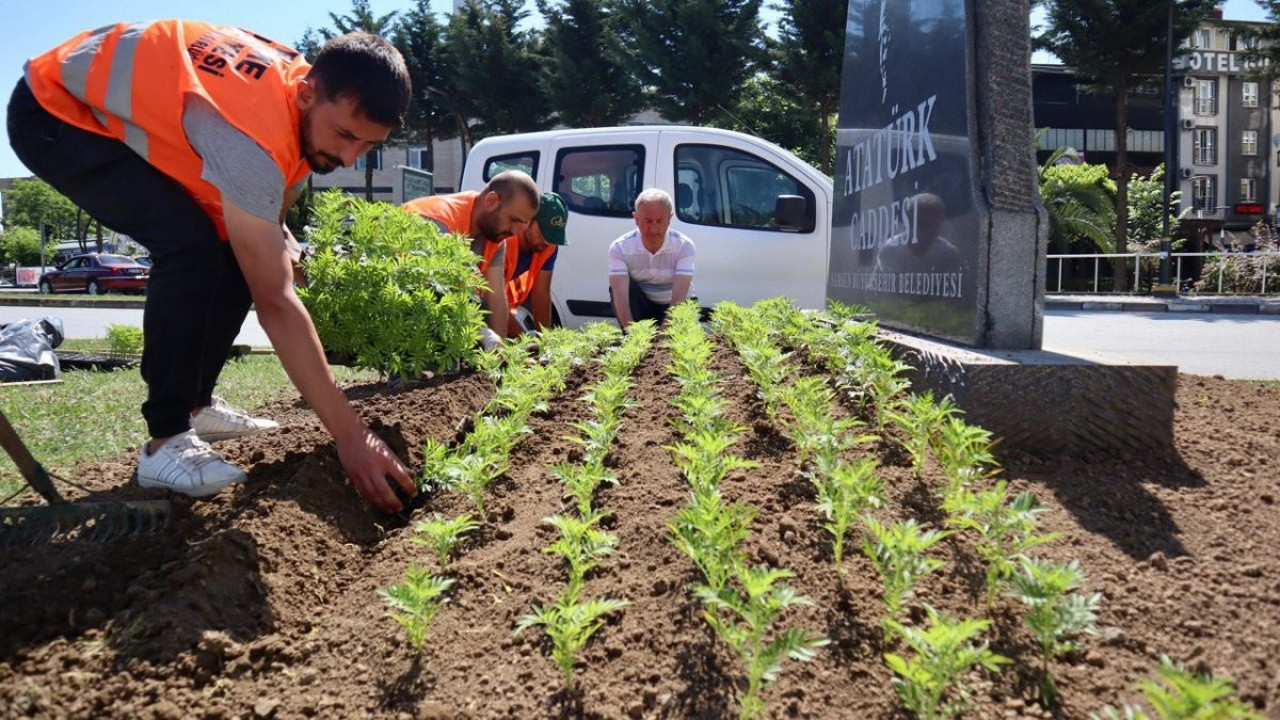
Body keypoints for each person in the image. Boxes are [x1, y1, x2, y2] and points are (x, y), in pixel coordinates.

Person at [7, 21, 416, 512]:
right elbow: (275, 302)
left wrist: (282, 242)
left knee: (233, 250)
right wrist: (352, 435)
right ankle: (166, 441)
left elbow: (269, 222)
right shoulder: (249, 137)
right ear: (307, 95)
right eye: (346, 136)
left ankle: (196, 405)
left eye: (367, 146)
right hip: (55, 110)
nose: (349, 157)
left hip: (133, 103)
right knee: (190, 246)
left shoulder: (305, 108)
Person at [402, 171, 539, 347]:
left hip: (440, 310)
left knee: (478, 304)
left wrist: (500, 354)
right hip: (400, 311)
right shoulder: (437, 223)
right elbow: (431, 294)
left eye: (522, 224)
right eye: (513, 220)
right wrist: (482, 333)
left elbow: (495, 296)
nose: (515, 231)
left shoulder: (495, 237)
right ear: (491, 201)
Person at [608, 188, 694, 330]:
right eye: (648, 221)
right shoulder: (620, 247)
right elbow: (620, 295)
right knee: (620, 287)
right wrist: (632, 335)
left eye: (660, 221)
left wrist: (661, 337)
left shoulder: (684, 246)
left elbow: (679, 298)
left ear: (670, 219)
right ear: (636, 219)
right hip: (643, 306)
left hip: (673, 306)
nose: (654, 229)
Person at [506, 191, 568, 337]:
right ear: (528, 220)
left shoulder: (549, 247)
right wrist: (525, 343)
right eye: (543, 234)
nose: (547, 242)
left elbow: (542, 293)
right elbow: (492, 303)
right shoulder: (504, 242)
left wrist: (544, 341)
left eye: (553, 236)